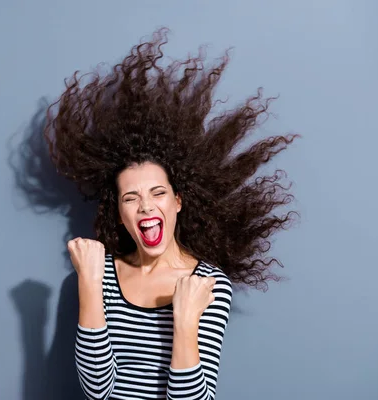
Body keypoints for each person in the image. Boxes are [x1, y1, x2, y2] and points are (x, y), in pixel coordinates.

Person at [43, 27, 300, 400]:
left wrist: (185, 319)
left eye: (158, 193)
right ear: (118, 213)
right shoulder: (101, 277)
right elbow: (99, 391)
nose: (146, 205)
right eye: (131, 198)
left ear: (177, 202)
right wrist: (89, 283)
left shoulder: (207, 285)